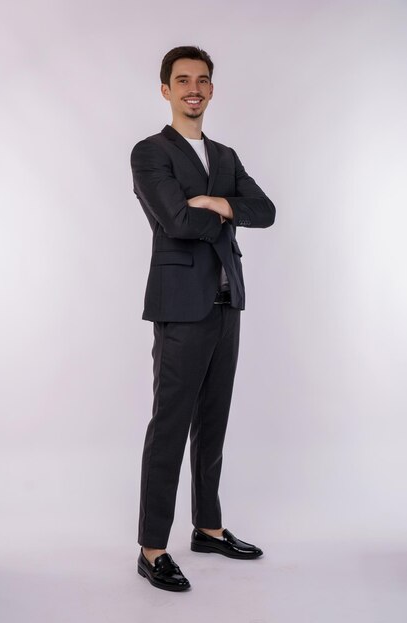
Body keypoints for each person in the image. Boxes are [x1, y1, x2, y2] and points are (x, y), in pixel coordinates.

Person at [130, 46, 276, 592]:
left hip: (225, 302)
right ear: (165, 89)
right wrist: (224, 209)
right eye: (182, 80)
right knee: (169, 426)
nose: (194, 88)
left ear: (211, 91)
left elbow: (266, 211)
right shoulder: (150, 152)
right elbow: (175, 219)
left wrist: (212, 202)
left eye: (203, 80)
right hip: (180, 308)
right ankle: (151, 548)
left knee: (213, 423)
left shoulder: (226, 155)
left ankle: (208, 529)